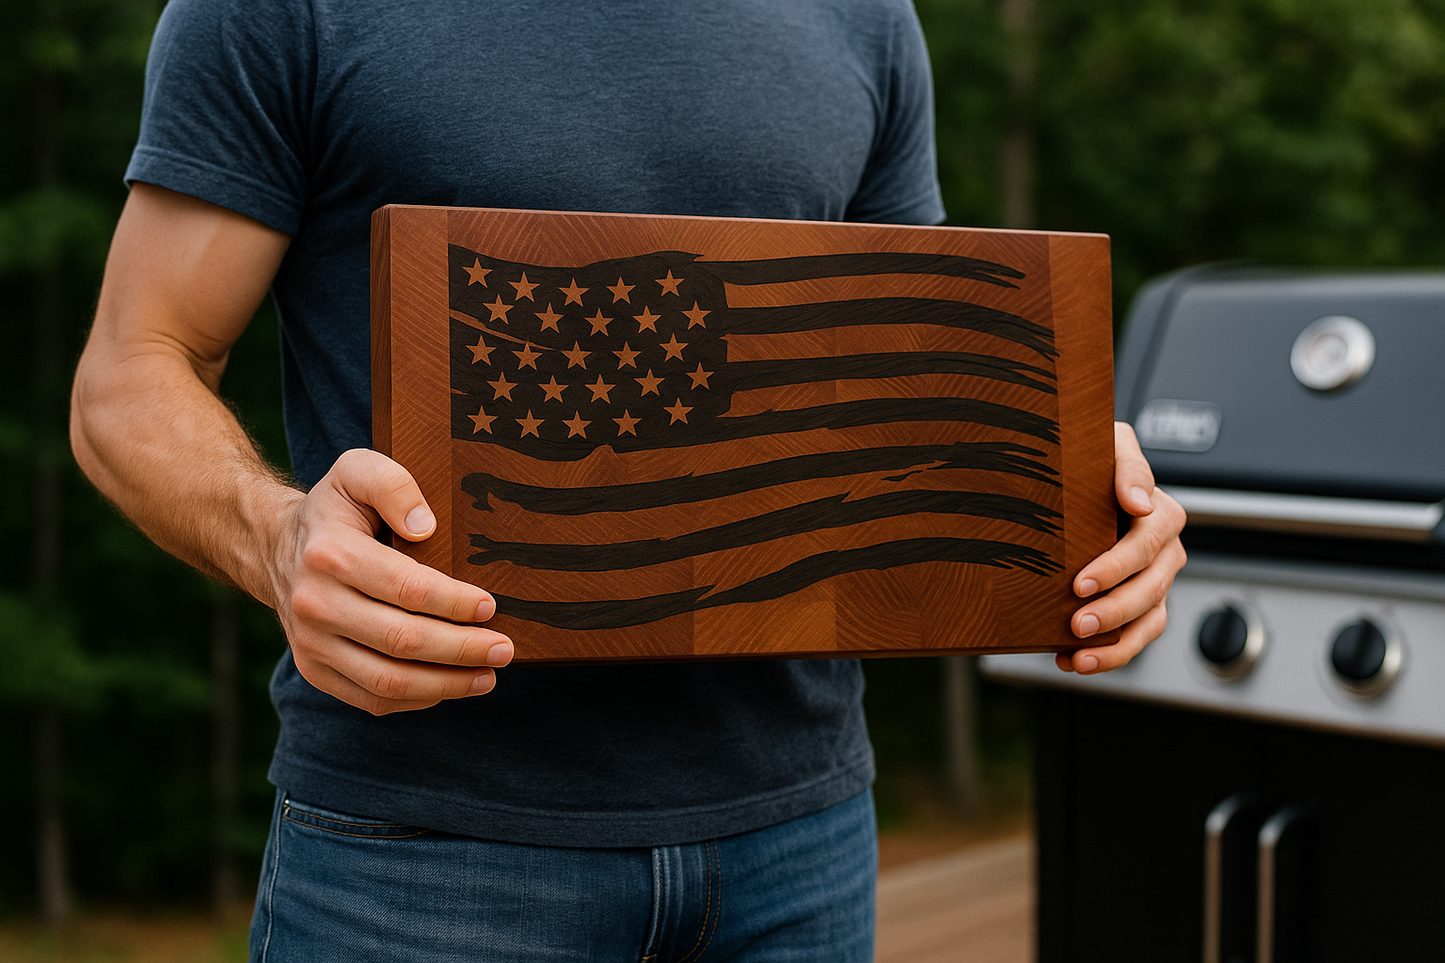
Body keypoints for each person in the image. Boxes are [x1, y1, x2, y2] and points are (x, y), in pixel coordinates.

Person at [70, 0, 1186, 959]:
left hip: (801, 848)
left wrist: (1076, 479)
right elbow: (129, 374)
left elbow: (914, 367)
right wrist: (277, 538)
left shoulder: (865, 14)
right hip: (422, 857)